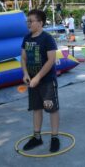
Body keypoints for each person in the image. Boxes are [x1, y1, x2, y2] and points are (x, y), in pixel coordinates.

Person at [21, 9, 60, 153]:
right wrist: (26, 73)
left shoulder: (47, 38)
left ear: (40, 22)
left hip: (47, 82)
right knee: (36, 108)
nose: (28, 24)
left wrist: (38, 77)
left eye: (31, 21)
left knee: (51, 108)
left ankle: (55, 137)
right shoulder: (26, 38)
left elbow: (51, 60)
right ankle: (37, 137)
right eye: (27, 21)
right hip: (32, 81)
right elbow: (23, 58)